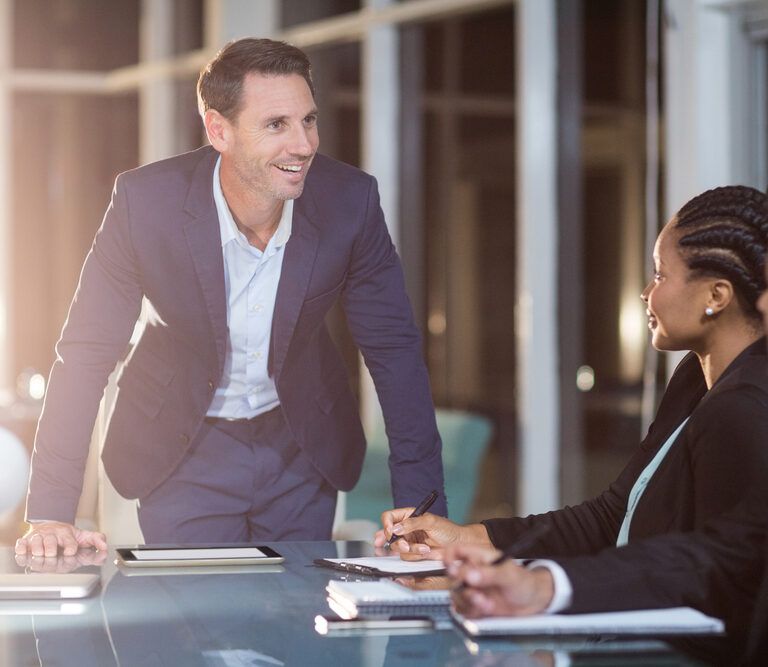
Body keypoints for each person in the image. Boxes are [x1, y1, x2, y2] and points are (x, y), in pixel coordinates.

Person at [16, 37, 446, 557]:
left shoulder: (349, 203)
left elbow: (394, 351)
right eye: (275, 125)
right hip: (182, 444)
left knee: (296, 619)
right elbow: (85, 353)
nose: (304, 144)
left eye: (308, 120)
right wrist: (50, 513)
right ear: (219, 130)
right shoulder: (145, 204)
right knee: (195, 622)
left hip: (300, 445)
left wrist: (424, 514)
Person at [375, 186, 768, 572]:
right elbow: (612, 515)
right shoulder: (694, 380)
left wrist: (539, 589)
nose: (647, 293)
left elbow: (711, 581)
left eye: (661, 275)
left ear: (716, 296)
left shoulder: (743, 409)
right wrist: (466, 538)